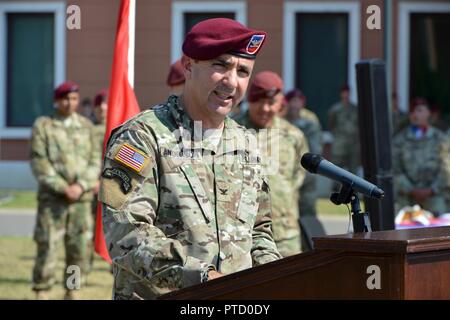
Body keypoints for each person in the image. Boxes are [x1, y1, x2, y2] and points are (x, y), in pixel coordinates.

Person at [99, 18, 281, 300]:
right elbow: (126, 234)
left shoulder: (246, 143)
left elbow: (258, 232)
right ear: (188, 66)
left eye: (243, 71)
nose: (231, 82)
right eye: (220, 65)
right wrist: (203, 277)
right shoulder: (141, 137)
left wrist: (275, 278)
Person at [30, 81, 101, 300]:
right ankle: (42, 291)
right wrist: (63, 187)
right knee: (48, 247)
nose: (69, 103)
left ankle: (72, 290)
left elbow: (95, 160)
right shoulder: (44, 126)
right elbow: (39, 162)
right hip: (53, 201)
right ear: (56, 100)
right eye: (65, 99)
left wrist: (81, 186)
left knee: (78, 250)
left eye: (73, 99)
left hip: (81, 201)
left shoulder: (87, 127)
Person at [234, 72, 309, 257]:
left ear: (280, 103)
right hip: (241, 234)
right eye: (259, 102)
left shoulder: (293, 135)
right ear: (249, 101)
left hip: (284, 234)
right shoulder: (230, 131)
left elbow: (299, 177)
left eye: (272, 103)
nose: (265, 108)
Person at [392, 97, 447, 215]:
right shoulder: (399, 140)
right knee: (399, 222)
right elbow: (395, 169)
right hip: (406, 196)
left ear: (429, 113)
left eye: (420, 110)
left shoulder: (441, 139)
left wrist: (432, 189)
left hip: (434, 196)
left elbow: (447, 168)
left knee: (441, 224)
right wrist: (411, 189)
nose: (415, 114)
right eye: (412, 111)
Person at [285, 89, 322, 218]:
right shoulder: (281, 118)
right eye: (292, 101)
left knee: (307, 210)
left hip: (306, 170)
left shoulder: (310, 120)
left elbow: (315, 147)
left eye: (298, 101)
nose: (294, 105)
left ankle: (309, 238)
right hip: (286, 171)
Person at [86, 89, 108, 274]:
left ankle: (112, 265)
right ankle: (83, 269)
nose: (102, 107)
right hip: (91, 186)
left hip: (111, 186)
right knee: (88, 229)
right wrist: (92, 180)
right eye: (99, 103)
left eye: (106, 102)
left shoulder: (120, 125)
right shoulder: (87, 129)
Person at [328, 85, 360, 176]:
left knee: (353, 170)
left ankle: (353, 189)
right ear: (341, 94)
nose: (346, 94)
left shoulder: (355, 109)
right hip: (340, 143)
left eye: (347, 92)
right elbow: (331, 124)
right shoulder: (335, 109)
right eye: (344, 92)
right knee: (337, 169)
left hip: (353, 144)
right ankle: (336, 188)